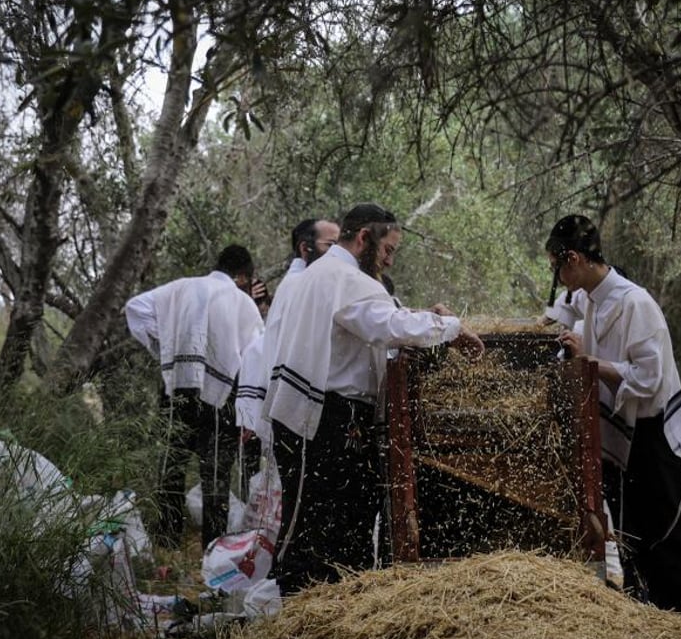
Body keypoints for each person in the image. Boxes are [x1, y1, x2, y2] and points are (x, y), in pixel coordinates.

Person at [263, 203, 484, 593]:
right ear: (364, 237)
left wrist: (425, 318)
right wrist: (449, 326)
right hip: (329, 416)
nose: (389, 261)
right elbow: (387, 324)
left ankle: (314, 601)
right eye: (387, 250)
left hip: (307, 412)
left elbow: (380, 315)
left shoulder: (322, 274)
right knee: (331, 520)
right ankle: (316, 601)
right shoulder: (345, 278)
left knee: (320, 516)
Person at [549, 215, 681, 617]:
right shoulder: (590, 296)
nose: (557, 276)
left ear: (575, 259)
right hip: (624, 438)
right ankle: (656, 617)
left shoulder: (636, 303)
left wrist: (590, 361)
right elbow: (560, 312)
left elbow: (648, 379)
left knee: (674, 533)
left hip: (656, 437)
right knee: (634, 535)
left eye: (557, 266)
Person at [125, 244, 264, 548]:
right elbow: (255, 355)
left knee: (171, 467)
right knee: (216, 477)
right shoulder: (242, 303)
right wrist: (250, 413)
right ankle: (213, 550)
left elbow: (135, 307)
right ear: (242, 276)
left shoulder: (180, 288)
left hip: (177, 389)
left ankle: (167, 542)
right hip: (222, 397)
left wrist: (171, 346)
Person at [235, 218, 341, 452]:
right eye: (331, 246)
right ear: (305, 248)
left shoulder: (301, 283)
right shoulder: (300, 285)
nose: (338, 255)